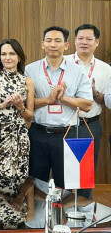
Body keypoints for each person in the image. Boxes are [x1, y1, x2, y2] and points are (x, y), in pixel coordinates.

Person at [0, 39, 36, 228]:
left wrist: (19, 106)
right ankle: (2, 193)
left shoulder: (27, 80)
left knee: (19, 177)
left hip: (18, 136)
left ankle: (5, 194)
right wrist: (1, 105)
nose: (7, 57)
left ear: (19, 57)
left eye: (11, 54)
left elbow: (30, 116)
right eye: (4, 54)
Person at [25, 26, 92, 190]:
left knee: (68, 186)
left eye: (57, 41)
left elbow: (87, 105)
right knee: (35, 184)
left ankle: (64, 216)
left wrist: (64, 99)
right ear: (42, 44)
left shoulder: (78, 71)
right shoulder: (30, 70)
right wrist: (48, 100)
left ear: (66, 45)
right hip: (38, 133)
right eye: (48, 40)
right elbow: (26, 103)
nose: (52, 44)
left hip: (67, 135)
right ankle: (39, 216)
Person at [65, 24, 111, 167]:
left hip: (90, 124)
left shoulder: (106, 69)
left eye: (89, 39)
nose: (84, 42)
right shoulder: (63, 62)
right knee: (63, 170)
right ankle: (64, 191)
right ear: (74, 41)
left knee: (86, 170)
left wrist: (94, 93)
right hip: (64, 124)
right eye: (80, 38)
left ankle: (84, 191)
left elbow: (107, 100)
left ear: (96, 42)